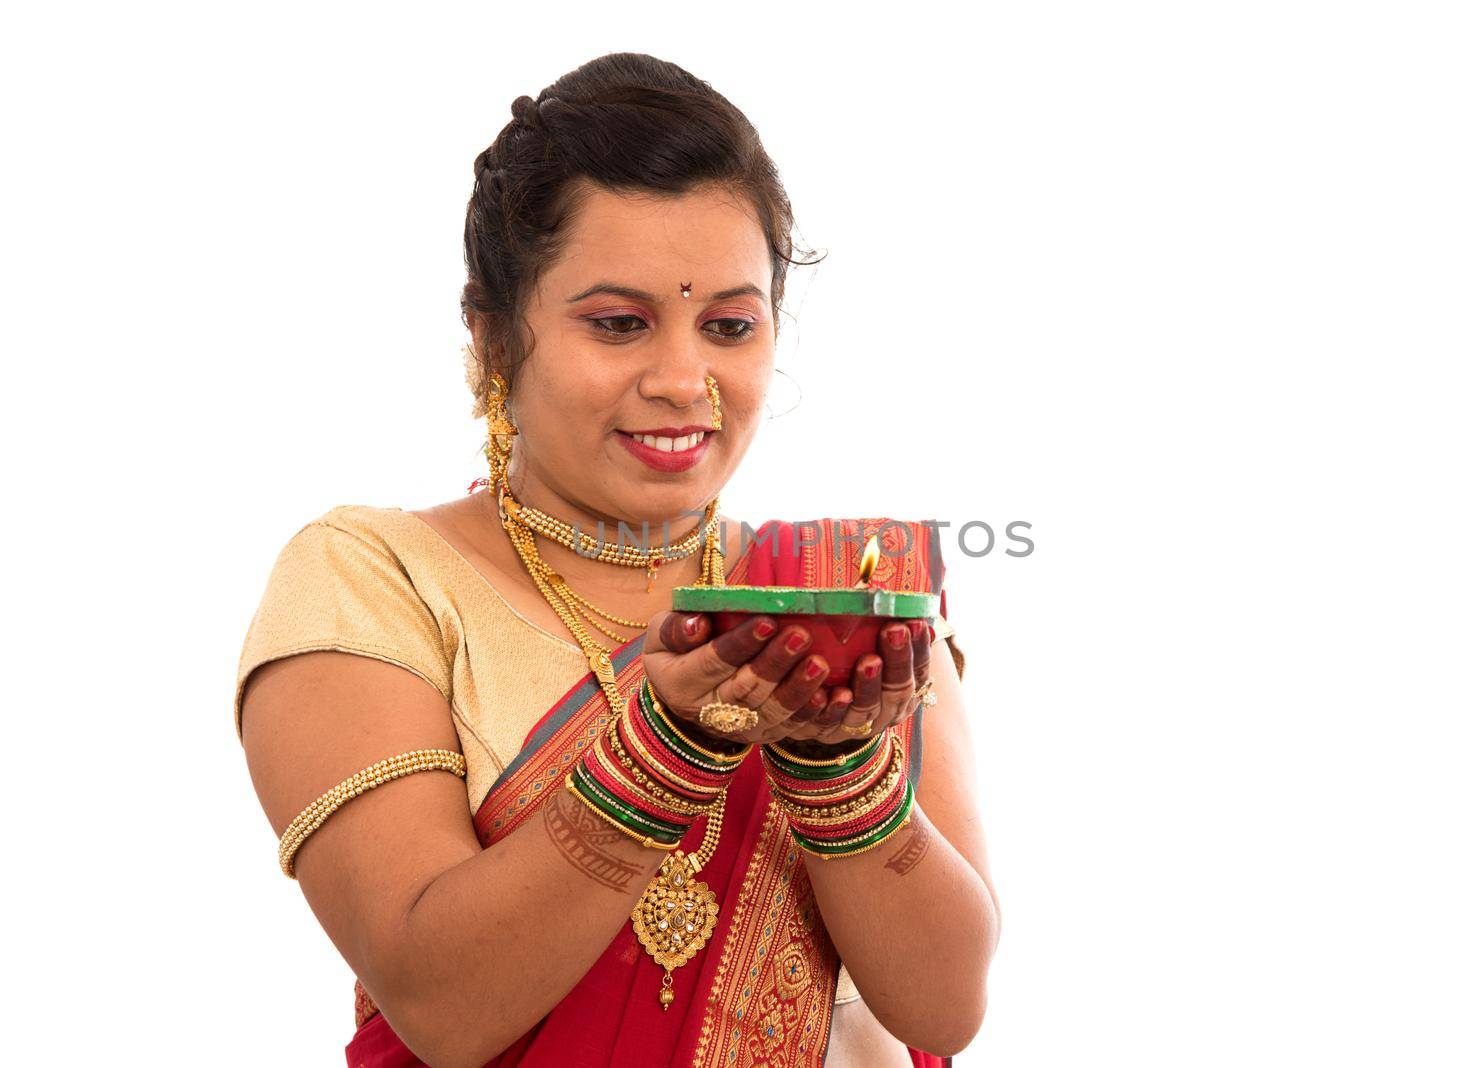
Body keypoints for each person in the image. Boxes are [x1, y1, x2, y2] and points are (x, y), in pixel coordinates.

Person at [234, 52, 998, 1068]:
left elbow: (943, 1011)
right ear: (497, 338)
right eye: (618, 324)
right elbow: (443, 1005)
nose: (684, 380)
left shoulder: (848, 601)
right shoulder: (377, 580)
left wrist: (835, 766)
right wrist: (671, 744)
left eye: (728, 324)